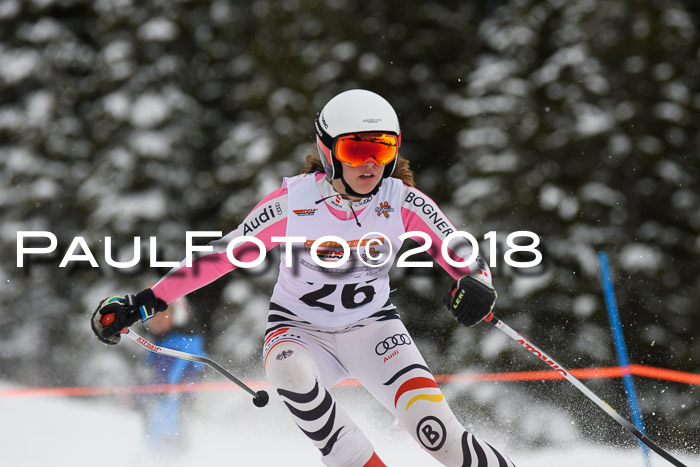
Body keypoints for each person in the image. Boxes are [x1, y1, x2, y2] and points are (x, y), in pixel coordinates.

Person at [91, 89, 515, 466]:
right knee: (291, 373)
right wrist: (147, 300)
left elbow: (460, 250)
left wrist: (477, 282)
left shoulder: (401, 200)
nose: (369, 163)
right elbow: (220, 257)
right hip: (298, 333)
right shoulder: (295, 202)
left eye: (382, 150)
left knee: (438, 436)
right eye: (355, 150)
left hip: (373, 330)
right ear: (328, 150)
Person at [139, 296, 204, 452]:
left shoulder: (182, 346)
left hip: (172, 424)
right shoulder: (160, 345)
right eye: (153, 315)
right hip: (158, 421)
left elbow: (189, 381)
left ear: (179, 315)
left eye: (163, 313)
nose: (157, 319)